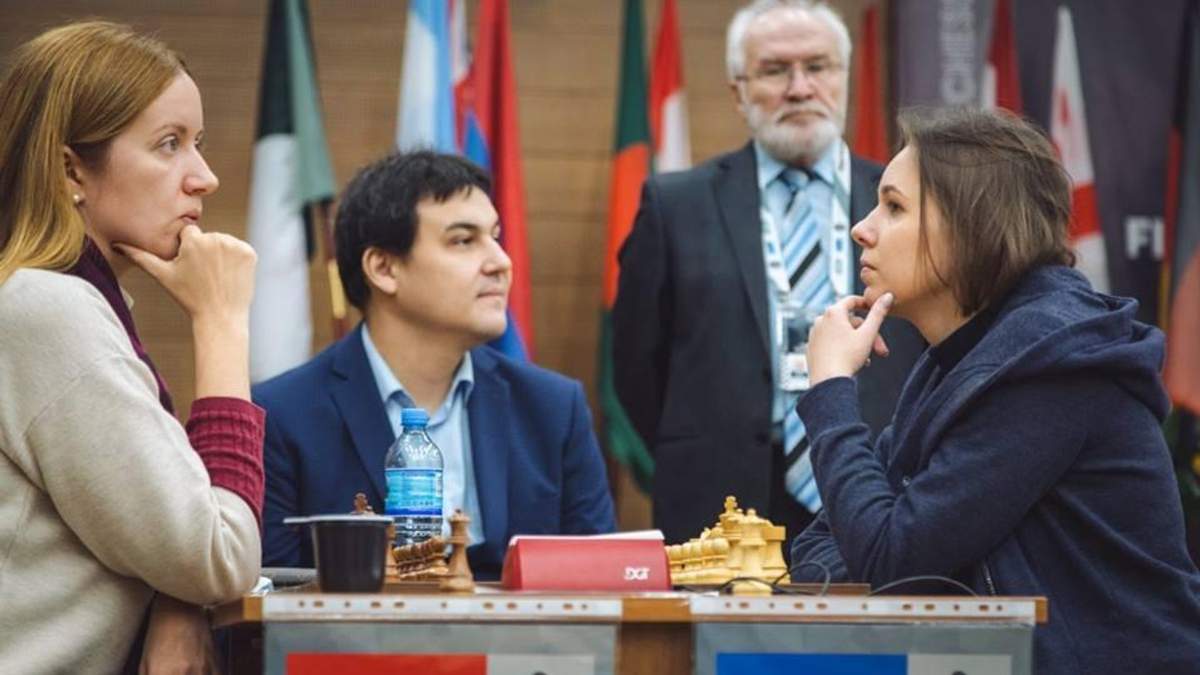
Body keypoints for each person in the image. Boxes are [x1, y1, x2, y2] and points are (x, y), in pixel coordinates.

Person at [790, 107, 1200, 672]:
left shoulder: (1049, 362)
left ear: (972, 227)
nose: (863, 227)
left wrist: (832, 386)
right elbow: (821, 548)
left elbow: (888, 560)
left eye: (894, 207)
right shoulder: (959, 361)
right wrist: (880, 555)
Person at [0, 22, 265, 674]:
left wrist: (178, 604)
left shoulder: (54, 301)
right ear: (71, 170)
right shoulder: (47, 310)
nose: (204, 178)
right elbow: (220, 556)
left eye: (198, 144)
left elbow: (172, 541)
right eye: (169, 144)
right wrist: (221, 323)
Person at [612, 0, 923, 546]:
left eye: (817, 66)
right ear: (739, 92)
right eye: (775, 70)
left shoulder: (910, 205)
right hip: (717, 505)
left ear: (844, 77)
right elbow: (637, 367)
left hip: (879, 491)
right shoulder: (674, 205)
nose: (800, 88)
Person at [255, 151, 615, 580]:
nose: (500, 261)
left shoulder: (553, 409)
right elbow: (268, 599)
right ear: (384, 268)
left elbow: (603, 585)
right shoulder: (281, 417)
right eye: (463, 240)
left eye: (495, 237)